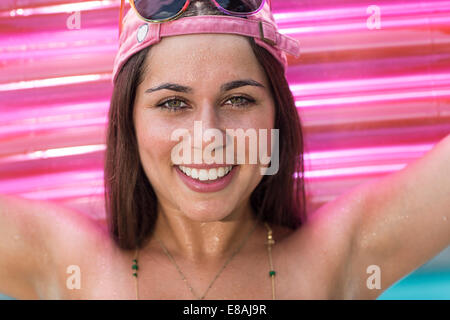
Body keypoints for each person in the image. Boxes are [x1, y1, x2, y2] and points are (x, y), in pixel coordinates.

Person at [0, 0, 449, 300]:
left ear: (277, 112)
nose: (208, 135)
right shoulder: (71, 266)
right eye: (173, 103)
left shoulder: (333, 259)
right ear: (129, 122)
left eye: (238, 100)